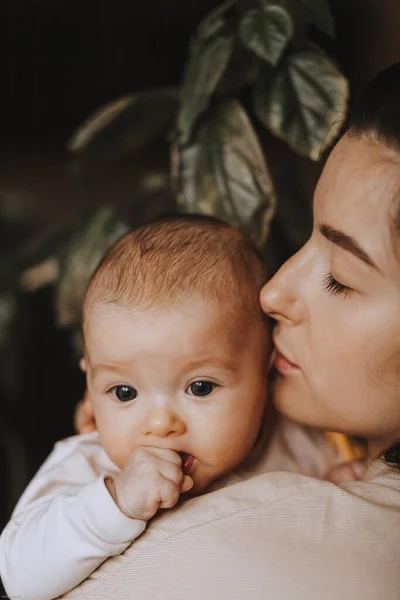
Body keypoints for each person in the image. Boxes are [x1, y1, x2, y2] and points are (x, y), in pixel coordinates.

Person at [55, 64, 400, 599]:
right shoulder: (321, 452)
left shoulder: (247, 552)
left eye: (339, 279)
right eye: (123, 390)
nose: (272, 293)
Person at [3, 215, 338, 600]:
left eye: (199, 387)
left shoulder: (301, 441)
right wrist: (116, 503)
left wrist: (348, 480)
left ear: (266, 369)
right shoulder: (90, 467)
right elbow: (19, 576)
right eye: (124, 392)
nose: (160, 423)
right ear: (90, 386)